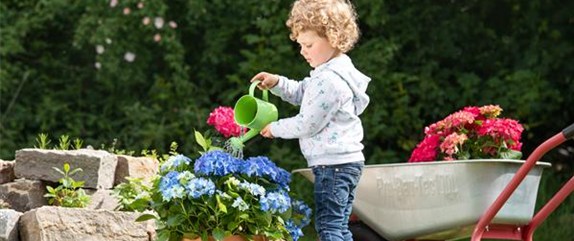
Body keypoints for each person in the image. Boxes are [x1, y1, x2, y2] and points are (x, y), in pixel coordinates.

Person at [249, 0, 371, 240]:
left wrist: (275, 128)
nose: (303, 51)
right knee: (339, 228)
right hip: (344, 163)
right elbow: (303, 92)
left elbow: (307, 124)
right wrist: (277, 83)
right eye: (301, 45)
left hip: (333, 166)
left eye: (309, 44)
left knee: (329, 229)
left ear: (334, 38)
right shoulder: (332, 72)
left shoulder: (329, 81)